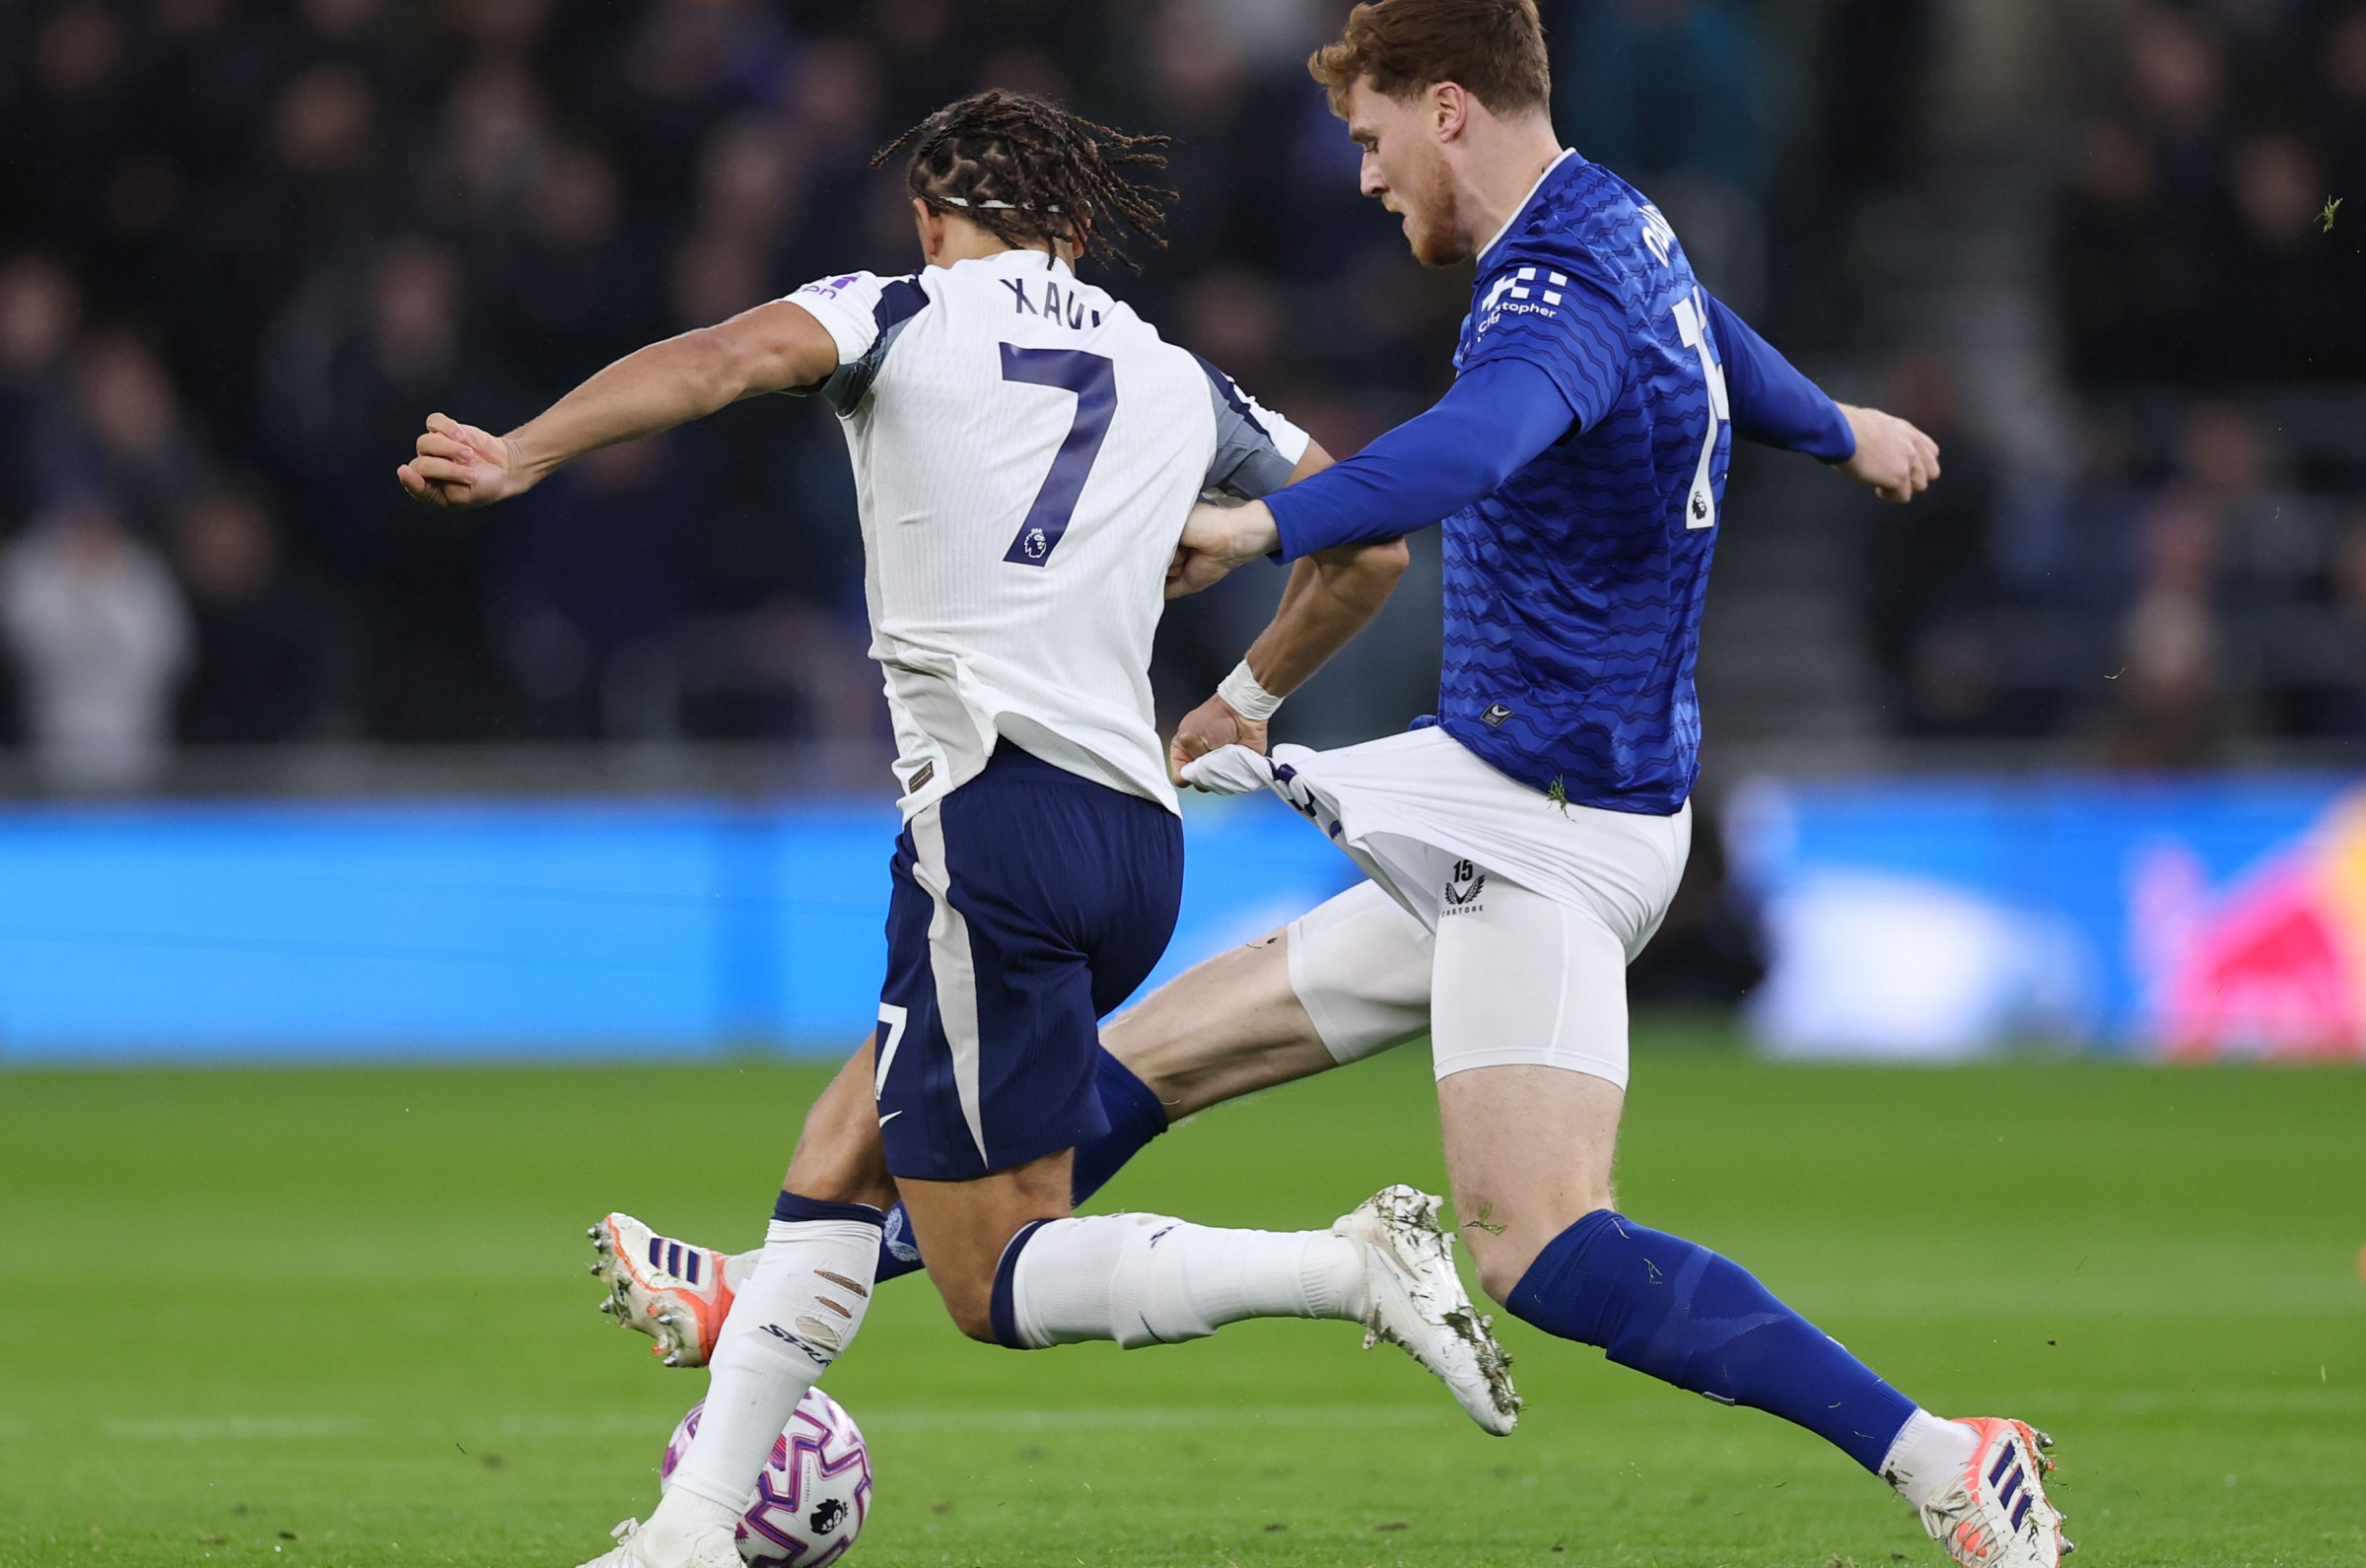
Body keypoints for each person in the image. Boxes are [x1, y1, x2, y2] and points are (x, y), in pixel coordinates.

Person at [592, 7, 2072, 1568]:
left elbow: (1471, 449)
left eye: (1370, 141)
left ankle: (1949, 1458)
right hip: (1514, 795)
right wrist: (1842, 427)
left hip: (1546, 836)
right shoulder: (1617, 219)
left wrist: (1256, 533)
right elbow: (1709, 332)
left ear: (1447, 111)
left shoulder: (1550, 297)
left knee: (1542, 1245)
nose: (1364, 180)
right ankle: (771, 1289)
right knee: (1138, 1068)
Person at [394, 90, 1514, 1568]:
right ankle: (689, 1534)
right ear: (1075, 228)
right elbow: (1366, 538)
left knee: (993, 1279)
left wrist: (528, 450)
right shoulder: (1182, 377)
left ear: (932, 218)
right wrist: (1244, 696)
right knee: (844, 1148)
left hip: (995, 818)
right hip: (1137, 846)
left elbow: (723, 361)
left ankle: (1344, 1265)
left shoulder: (895, 309)